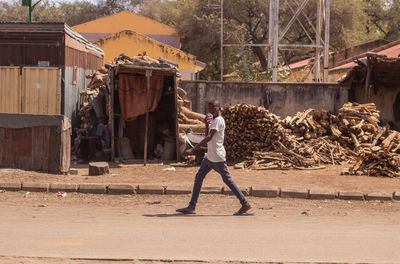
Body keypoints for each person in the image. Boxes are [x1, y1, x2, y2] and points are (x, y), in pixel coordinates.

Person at [176, 100, 252, 215]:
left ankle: (245, 203)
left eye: (213, 108)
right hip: (211, 157)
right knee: (199, 177)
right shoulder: (215, 121)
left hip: (217, 156)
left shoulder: (218, 120)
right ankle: (192, 206)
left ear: (218, 108)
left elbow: (209, 137)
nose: (211, 110)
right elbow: (209, 135)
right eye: (209, 109)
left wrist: (193, 149)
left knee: (228, 180)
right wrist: (207, 124)